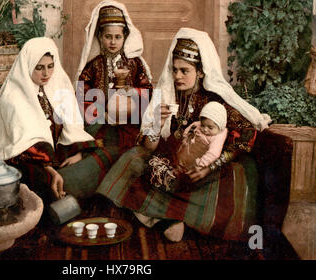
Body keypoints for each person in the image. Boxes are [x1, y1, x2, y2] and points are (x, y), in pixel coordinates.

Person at [96, 27, 272, 242]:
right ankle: (166, 220)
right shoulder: (170, 96)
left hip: (205, 169)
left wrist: (209, 167)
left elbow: (246, 133)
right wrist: (156, 125)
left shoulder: (214, 101)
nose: (177, 76)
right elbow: (149, 148)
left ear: (199, 72)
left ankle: (165, 216)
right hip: (174, 165)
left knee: (234, 178)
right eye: (174, 69)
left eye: (184, 70)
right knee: (132, 158)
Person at [0, 37, 104, 201]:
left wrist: (78, 152)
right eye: (39, 68)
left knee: (99, 151)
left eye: (50, 67)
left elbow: (72, 127)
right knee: (39, 179)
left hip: (52, 149)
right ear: (28, 66)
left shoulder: (58, 85)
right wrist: (49, 169)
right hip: (22, 154)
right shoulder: (13, 96)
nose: (46, 74)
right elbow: (25, 141)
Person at [74, 0, 153, 163]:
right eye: (108, 37)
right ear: (100, 37)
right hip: (100, 123)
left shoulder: (134, 63)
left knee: (127, 150)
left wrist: (131, 95)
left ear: (125, 37)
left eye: (118, 37)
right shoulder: (94, 65)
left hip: (129, 123)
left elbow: (147, 90)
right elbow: (82, 94)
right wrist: (100, 113)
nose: (113, 42)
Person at [149, 101, 228, 193]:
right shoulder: (198, 124)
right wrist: (186, 136)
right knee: (177, 162)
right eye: (203, 125)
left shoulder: (218, 136)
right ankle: (171, 173)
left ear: (220, 127)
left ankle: (174, 184)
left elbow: (213, 153)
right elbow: (191, 128)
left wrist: (201, 164)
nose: (205, 129)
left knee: (187, 174)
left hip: (198, 159)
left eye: (210, 128)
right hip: (186, 150)